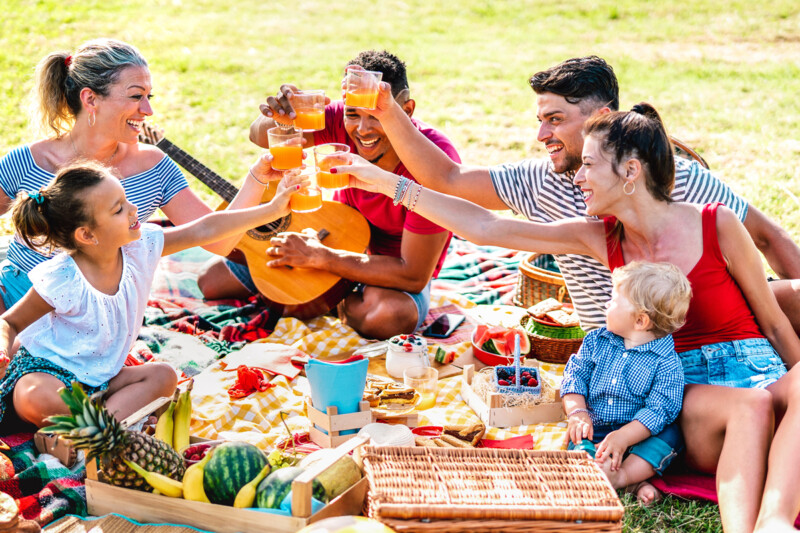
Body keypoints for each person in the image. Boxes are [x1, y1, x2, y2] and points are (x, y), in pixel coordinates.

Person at [335, 104, 800, 532]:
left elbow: (775, 325)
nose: (579, 178)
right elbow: (486, 227)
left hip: (763, 373)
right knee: (752, 406)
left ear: (631, 172)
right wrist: (389, 185)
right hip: (700, 400)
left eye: (590, 165)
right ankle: (770, 523)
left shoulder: (718, 223)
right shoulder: (600, 238)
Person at [349, 55, 800, 333]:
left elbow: (767, 238)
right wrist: (387, 116)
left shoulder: (678, 179)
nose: (542, 134)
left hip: (713, 325)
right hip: (629, 341)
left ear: (603, 118)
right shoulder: (543, 183)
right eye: (541, 119)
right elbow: (451, 185)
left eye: (557, 119)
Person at [0, 160, 303, 428]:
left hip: (102, 379)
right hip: (49, 374)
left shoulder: (139, 247)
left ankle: (84, 435)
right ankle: (104, 428)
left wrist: (272, 209)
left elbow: (204, 229)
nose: (133, 209)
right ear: (87, 235)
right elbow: (10, 323)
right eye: (119, 209)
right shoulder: (63, 279)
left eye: (126, 200)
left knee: (164, 377)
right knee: (36, 397)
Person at [196, 50, 460, 340]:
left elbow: (413, 274)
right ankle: (314, 294)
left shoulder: (434, 162)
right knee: (211, 282)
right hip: (333, 232)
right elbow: (259, 136)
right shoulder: (338, 119)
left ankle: (325, 301)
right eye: (353, 114)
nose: (362, 129)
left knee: (389, 317)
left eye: (376, 115)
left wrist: (320, 258)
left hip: (388, 271)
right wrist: (282, 120)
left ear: (406, 110)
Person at [0, 39, 275, 315]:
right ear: (90, 99)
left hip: (95, 320)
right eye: (135, 96)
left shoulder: (153, 168)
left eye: (149, 97)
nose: (148, 111)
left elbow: (219, 241)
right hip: (16, 299)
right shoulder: (29, 162)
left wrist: (257, 178)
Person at [562, 261, 692, 504]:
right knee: (580, 438)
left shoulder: (667, 362)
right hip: (596, 425)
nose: (606, 304)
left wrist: (624, 437)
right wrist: (577, 412)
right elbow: (574, 376)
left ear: (640, 321)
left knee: (671, 436)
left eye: (613, 300)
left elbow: (659, 410)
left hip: (640, 434)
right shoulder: (595, 341)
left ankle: (623, 476)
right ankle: (599, 467)